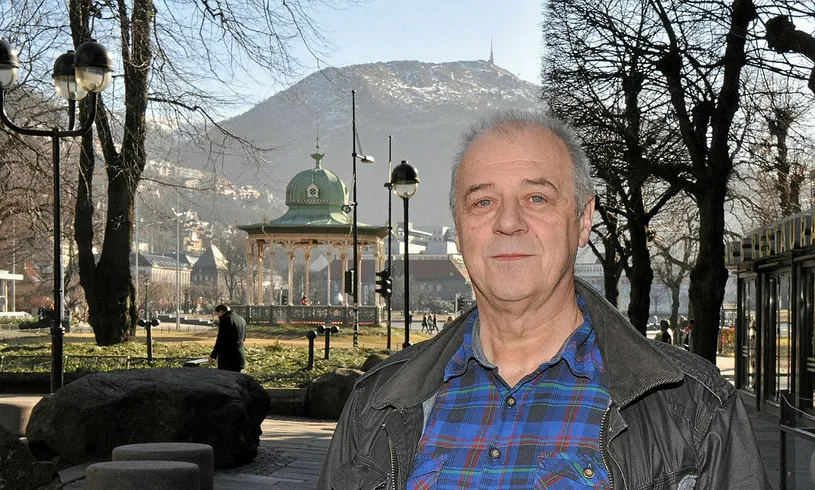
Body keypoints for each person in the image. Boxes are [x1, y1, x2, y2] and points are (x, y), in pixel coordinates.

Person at [318, 110, 769, 488]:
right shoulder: (373, 405)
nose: (508, 222)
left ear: (583, 219)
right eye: (482, 202)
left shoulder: (694, 412)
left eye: (536, 197)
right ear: (459, 227)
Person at [209, 304, 247, 372]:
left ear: (221, 311)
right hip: (240, 357)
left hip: (227, 360)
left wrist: (213, 356)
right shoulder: (241, 319)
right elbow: (243, 338)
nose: (218, 317)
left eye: (218, 315)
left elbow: (220, 340)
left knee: (227, 380)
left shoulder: (226, 319)